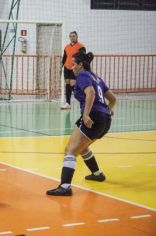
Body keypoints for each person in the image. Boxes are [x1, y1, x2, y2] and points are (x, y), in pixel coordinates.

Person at [47, 51, 116, 196]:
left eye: (73, 64)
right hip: (105, 119)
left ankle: (65, 187)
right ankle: (97, 174)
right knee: (82, 148)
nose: (72, 68)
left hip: (93, 117)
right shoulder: (97, 77)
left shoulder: (83, 76)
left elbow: (91, 93)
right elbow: (113, 99)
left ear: (81, 64)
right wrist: (108, 110)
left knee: (70, 151)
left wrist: (85, 115)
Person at [61, 31, 86, 109]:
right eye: (71, 36)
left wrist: (79, 67)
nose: (72, 38)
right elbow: (64, 57)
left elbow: (82, 57)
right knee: (67, 84)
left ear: (76, 37)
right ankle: (68, 103)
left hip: (75, 68)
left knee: (73, 85)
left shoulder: (81, 47)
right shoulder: (66, 47)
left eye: (73, 36)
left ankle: (84, 99)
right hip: (66, 67)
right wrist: (61, 66)